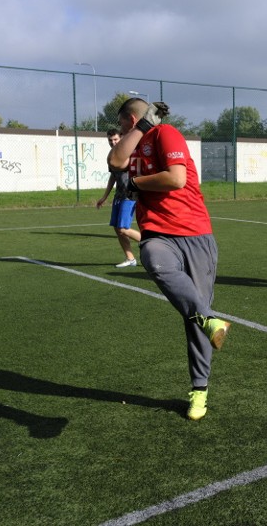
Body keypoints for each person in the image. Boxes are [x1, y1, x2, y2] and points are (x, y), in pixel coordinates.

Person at [107, 98, 230, 421]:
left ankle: (199, 390)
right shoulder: (133, 146)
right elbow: (115, 159)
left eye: (122, 124)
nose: (119, 131)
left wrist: (135, 184)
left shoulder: (167, 135)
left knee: (194, 322)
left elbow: (176, 178)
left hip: (195, 235)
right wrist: (139, 129)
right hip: (159, 235)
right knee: (151, 256)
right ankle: (207, 317)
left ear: (129, 119)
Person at [96, 129, 141, 267]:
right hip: (118, 196)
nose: (113, 142)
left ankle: (153, 242)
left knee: (122, 228)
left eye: (115, 139)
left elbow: (138, 172)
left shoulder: (130, 153)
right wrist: (104, 197)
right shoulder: (113, 156)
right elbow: (113, 177)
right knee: (117, 228)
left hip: (130, 195)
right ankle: (130, 258)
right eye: (110, 140)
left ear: (121, 138)